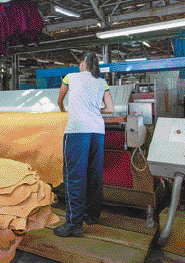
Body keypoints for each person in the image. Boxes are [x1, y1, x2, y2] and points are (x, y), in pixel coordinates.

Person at [54, 52, 114, 237]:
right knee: (94, 174)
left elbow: (60, 100)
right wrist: (94, 109)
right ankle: (92, 215)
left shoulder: (70, 77)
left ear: (82, 64)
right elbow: (110, 109)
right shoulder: (102, 82)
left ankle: (73, 223)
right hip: (98, 130)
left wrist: (64, 110)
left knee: (75, 176)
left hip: (77, 130)